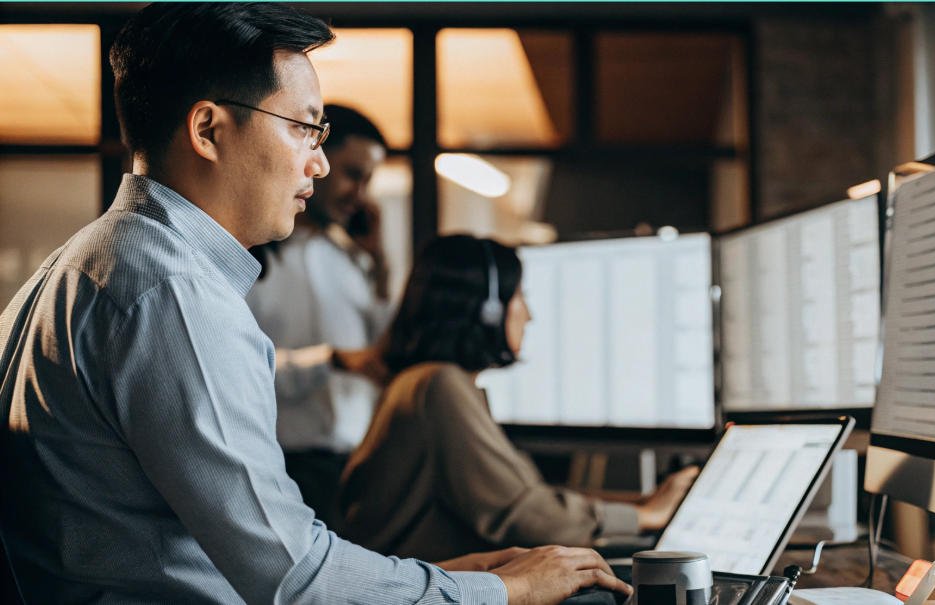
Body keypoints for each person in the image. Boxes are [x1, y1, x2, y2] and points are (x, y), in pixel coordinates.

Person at [0, 4, 629, 603]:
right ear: (208, 130)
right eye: (304, 127)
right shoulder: (174, 295)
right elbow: (296, 582)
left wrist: (436, 580)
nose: (320, 164)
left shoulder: (77, 267)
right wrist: (504, 591)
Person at [338, 234, 700, 562]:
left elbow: (524, 493)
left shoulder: (421, 382)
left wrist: (641, 502)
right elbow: (523, 514)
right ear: (489, 310)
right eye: (520, 295)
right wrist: (646, 515)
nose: (529, 314)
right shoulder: (438, 385)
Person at [247, 104, 394, 526]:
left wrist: (379, 266)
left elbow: (385, 351)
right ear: (316, 159)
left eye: (368, 181)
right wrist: (330, 360)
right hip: (283, 467)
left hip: (357, 469)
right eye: (352, 174)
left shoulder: (354, 262)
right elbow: (242, 370)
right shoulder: (251, 261)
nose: (360, 195)